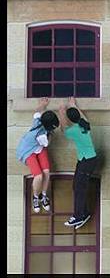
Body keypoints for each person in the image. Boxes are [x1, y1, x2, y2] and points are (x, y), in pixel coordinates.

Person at [58, 97, 98, 230]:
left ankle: (79, 216)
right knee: (77, 186)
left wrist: (61, 113)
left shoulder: (74, 130)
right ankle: (83, 213)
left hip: (87, 161)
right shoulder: (84, 124)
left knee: (79, 188)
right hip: (86, 160)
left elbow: (63, 129)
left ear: (70, 119)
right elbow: (81, 116)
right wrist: (73, 105)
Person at [16, 97, 59, 213]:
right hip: (29, 151)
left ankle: (43, 195)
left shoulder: (38, 119)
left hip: (39, 149)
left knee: (46, 173)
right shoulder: (42, 136)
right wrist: (51, 134)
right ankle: (35, 196)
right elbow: (47, 143)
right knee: (38, 176)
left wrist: (43, 104)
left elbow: (37, 111)